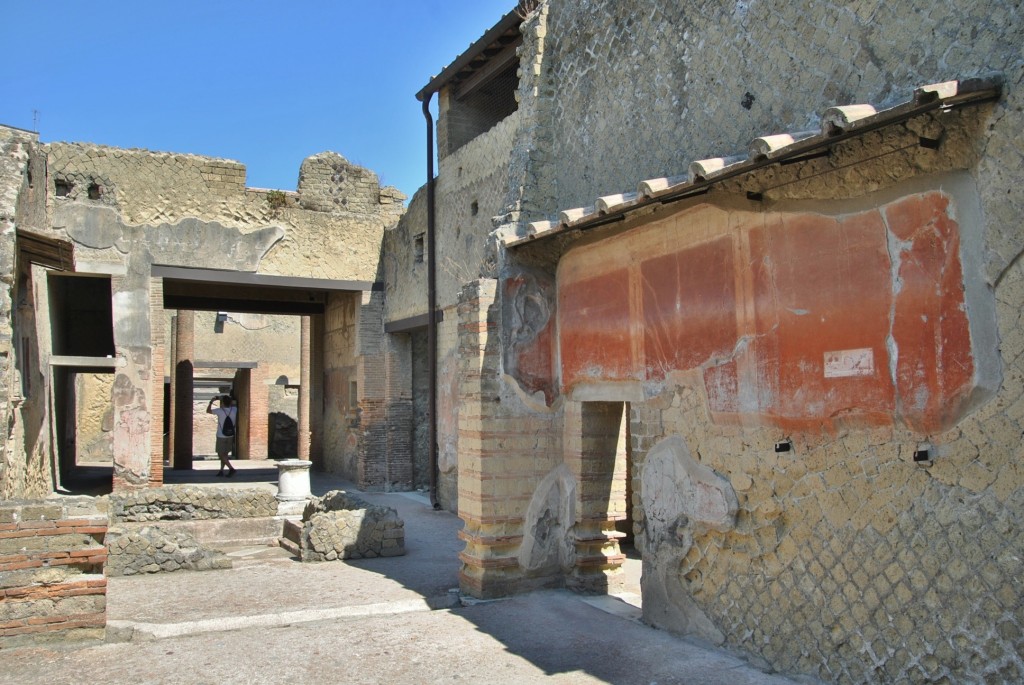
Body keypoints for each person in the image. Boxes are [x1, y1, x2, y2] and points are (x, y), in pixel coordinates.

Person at [206, 394, 237, 477]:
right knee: (225, 455)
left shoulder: (219, 411)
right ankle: (221, 471)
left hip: (221, 436)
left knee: (221, 454)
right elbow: (233, 402)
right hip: (230, 435)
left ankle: (231, 469)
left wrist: (212, 401)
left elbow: (208, 410)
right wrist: (226, 399)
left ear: (222, 402)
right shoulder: (234, 409)